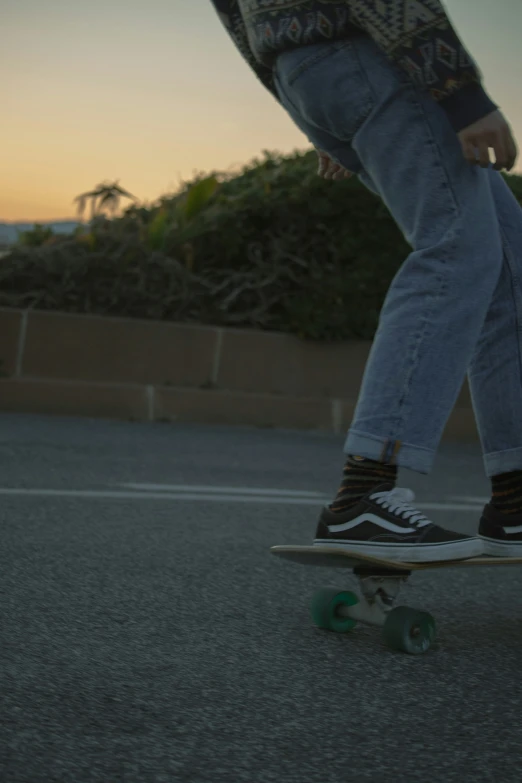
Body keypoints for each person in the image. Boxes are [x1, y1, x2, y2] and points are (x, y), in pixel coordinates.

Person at [210, 1, 521, 562]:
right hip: (368, 57)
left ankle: (517, 500)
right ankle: (365, 495)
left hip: (308, 69)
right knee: (457, 251)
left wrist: (302, 102)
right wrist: (459, 91)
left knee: (511, 267)